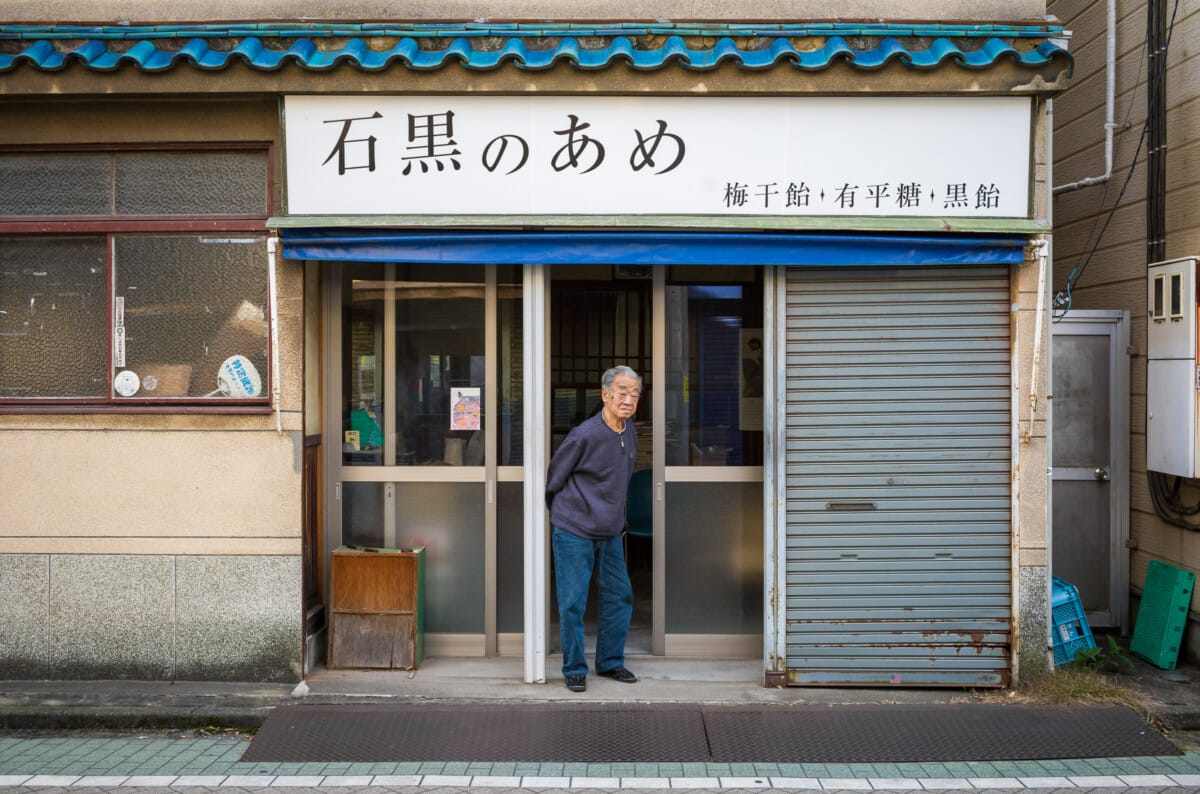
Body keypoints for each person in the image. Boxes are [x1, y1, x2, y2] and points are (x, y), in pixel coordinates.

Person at [545, 365, 642, 692]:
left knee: (619, 595)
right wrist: (564, 512)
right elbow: (555, 476)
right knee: (573, 600)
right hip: (574, 528)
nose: (628, 399)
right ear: (605, 395)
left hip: (610, 530)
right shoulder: (584, 434)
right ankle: (574, 667)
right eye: (622, 392)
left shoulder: (629, 431)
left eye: (634, 393)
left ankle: (610, 662)